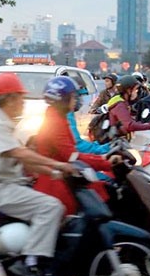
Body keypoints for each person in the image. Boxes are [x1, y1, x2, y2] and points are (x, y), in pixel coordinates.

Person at [0, 72, 76, 276]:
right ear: (9, 98)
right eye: (20, 97)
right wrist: (58, 165)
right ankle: (30, 263)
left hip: (7, 185)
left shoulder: (7, 124)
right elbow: (20, 154)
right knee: (50, 207)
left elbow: (26, 162)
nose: (23, 102)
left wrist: (56, 173)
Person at [34, 76, 115, 215]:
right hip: (54, 180)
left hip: (64, 173)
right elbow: (72, 155)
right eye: (73, 96)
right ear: (63, 100)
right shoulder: (56, 123)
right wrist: (106, 162)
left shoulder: (59, 118)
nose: (76, 100)